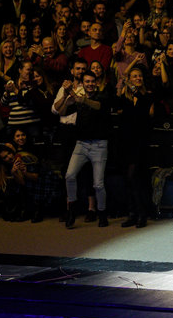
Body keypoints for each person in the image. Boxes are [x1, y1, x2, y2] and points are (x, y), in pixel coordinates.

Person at [61, 70, 112, 228]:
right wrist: (66, 97)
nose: (90, 84)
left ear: (96, 83)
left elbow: (97, 106)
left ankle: (102, 213)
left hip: (99, 145)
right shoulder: (77, 99)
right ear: (82, 83)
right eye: (87, 82)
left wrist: (81, 99)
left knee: (98, 184)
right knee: (69, 176)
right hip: (81, 144)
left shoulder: (102, 96)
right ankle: (72, 210)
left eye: (92, 81)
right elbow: (61, 112)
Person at [117, 68, 155, 228]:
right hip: (126, 142)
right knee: (128, 178)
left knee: (136, 177)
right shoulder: (124, 98)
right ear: (129, 79)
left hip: (141, 142)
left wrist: (136, 92)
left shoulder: (147, 96)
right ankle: (132, 213)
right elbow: (122, 115)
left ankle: (141, 213)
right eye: (134, 76)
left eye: (140, 75)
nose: (138, 78)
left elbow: (145, 116)